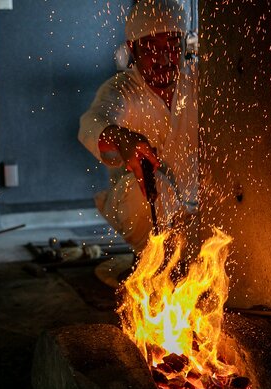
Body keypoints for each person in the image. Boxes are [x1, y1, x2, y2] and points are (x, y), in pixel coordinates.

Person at [78, 0, 199, 257]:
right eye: (151, 48)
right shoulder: (121, 89)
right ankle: (151, 262)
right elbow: (91, 122)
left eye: (171, 45)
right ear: (132, 49)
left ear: (183, 44)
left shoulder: (200, 81)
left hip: (196, 210)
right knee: (147, 189)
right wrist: (120, 137)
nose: (164, 58)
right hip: (137, 207)